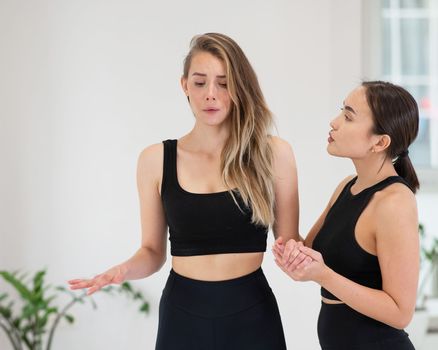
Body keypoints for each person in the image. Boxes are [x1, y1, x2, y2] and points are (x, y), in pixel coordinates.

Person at [69, 33, 299, 350]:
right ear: (184, 86)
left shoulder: (273, 153)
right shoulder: (155, 160)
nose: (211, 95)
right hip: (183, 314)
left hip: (252, 314)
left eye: (223, 83)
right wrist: (124, 269)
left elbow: (291, 245)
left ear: (239, 88)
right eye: (200, 82)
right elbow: (152, 251)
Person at [273, 81, 419, 350]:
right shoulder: (348, 185)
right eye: (342, 111)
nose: (335, 121)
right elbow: (308, 250)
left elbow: (401, 312)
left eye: (349, 116)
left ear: (380, 142)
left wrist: (323, 275)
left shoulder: (395, 202)